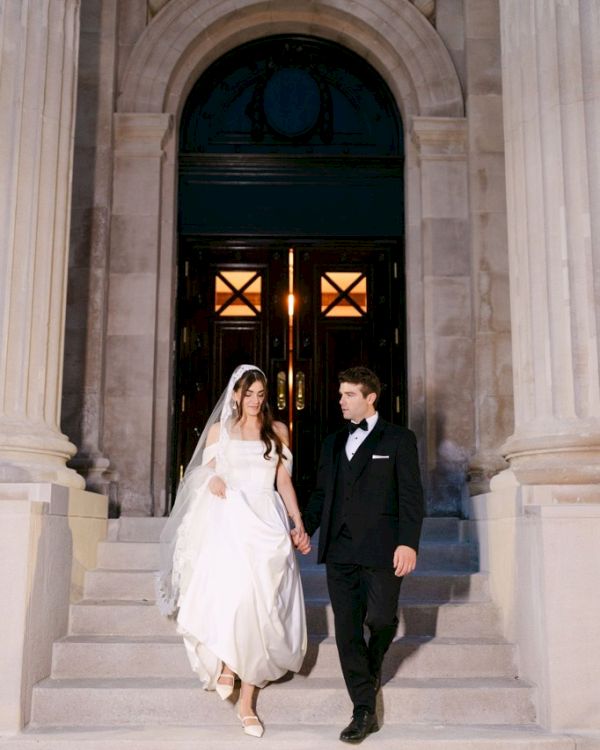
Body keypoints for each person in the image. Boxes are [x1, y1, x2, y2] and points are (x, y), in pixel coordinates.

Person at [156, 364, 308, 738]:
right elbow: (200, 474)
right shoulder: (217, 431)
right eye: (248, 394)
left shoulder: (278, 431)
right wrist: (215, 477)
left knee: (266, 605)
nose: (255, 401)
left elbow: (283, 481)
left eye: (260, 394)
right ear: (235, 394)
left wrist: (297, 521)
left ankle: (247, 701)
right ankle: (227, 663)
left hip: (267, 522)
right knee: (237, 597)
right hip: (231, 522)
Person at [294, 366, 424, 743]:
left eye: (349, 394)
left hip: (384, 547)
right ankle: (363, 708)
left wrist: (408, 542)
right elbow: (321, 494)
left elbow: (411, 496)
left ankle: (372, 664)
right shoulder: (332, 443)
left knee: (382, 618)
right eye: (340, 394)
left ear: (371, 398)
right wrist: (307, 528)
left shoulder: (400, 439)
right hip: (339, 548)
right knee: (347, 630)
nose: (341, 401)